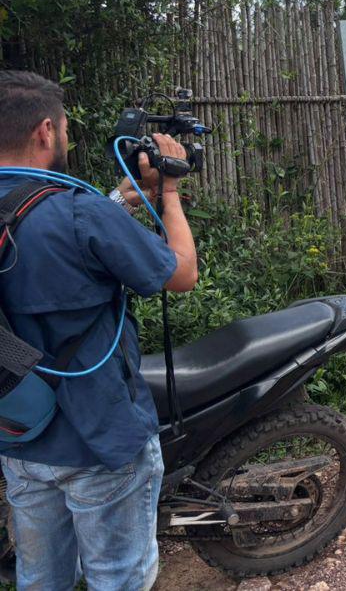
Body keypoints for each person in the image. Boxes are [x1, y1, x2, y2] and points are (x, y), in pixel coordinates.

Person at [0, 71, 199, 590]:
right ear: (45, 132)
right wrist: (170, 190)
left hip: (18, 436)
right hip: (100, 440)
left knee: (41, 579)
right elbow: (181, 273)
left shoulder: (77, 211)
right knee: (118, 578)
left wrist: (124, 198)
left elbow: (43, 236)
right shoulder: (78, 212)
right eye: (64, 129)